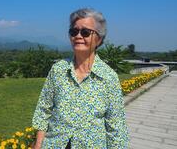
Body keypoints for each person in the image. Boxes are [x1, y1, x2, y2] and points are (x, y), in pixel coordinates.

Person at [32, 8, 129, 148]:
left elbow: (116, 127)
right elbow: (44, 109)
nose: (78, 36)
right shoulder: (58, 70)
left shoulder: (109, 78)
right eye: (73, 31)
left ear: (99, 39)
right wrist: (38, 144)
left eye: (85, 32)